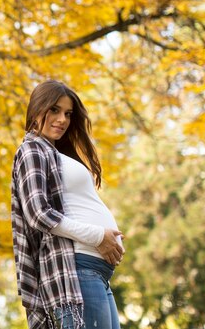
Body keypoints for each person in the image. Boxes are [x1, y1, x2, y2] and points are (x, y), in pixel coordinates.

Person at [11, 80, 125, 329]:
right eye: (54, 110)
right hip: (76, 271)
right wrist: (98, 236)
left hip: (94, 273)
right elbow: (38, 214)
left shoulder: (54, 153)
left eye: (68, 113)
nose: (62, 119)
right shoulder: (32, 149)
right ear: (36, 109)